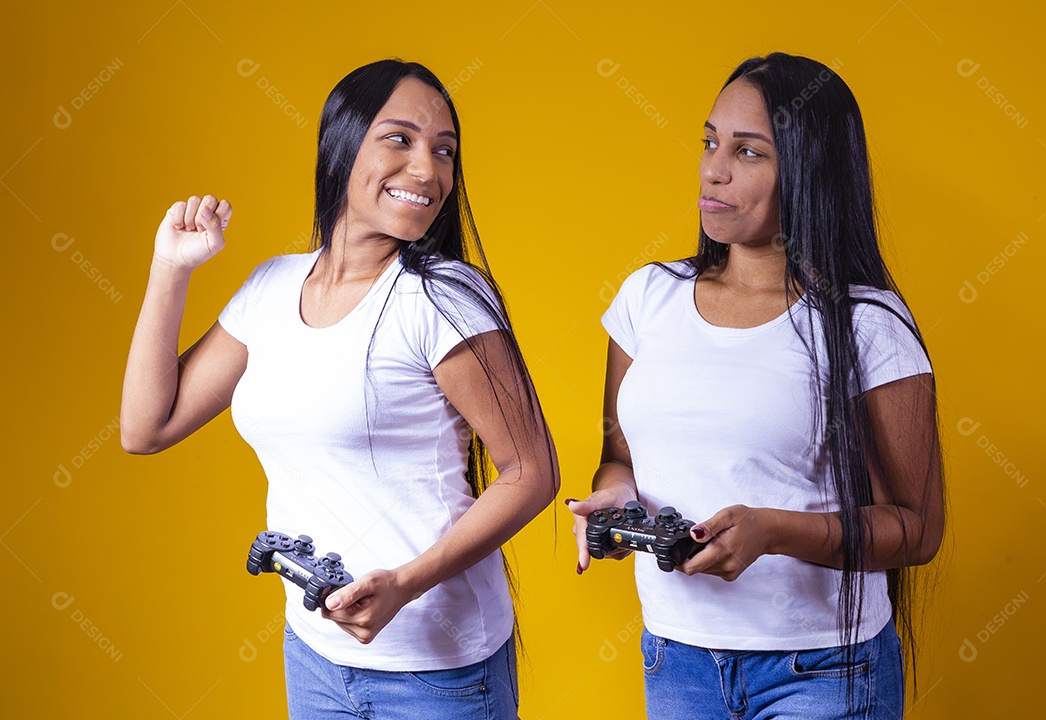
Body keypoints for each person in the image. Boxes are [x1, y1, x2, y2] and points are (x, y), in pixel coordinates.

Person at [121, 59, 558, 719]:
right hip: (317, 656)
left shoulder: (442, 298)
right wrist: (169, 268)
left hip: (437, 671)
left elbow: (532, 473)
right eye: (400, 139)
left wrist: (405, 585)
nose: (429, 170)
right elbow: (145, 428)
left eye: (445, 152)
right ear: (343, 142)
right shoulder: (269, 288)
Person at [568, 52, 944, 719]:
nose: (713, 168)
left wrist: (772, 531)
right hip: (677, 659)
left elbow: (917, 531)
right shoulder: (647, 298)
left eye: (748, 152)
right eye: (711, 142)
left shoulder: (866, 325)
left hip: (824, 669)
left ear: (809, 172)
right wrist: (613, 497)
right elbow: (621, 458)